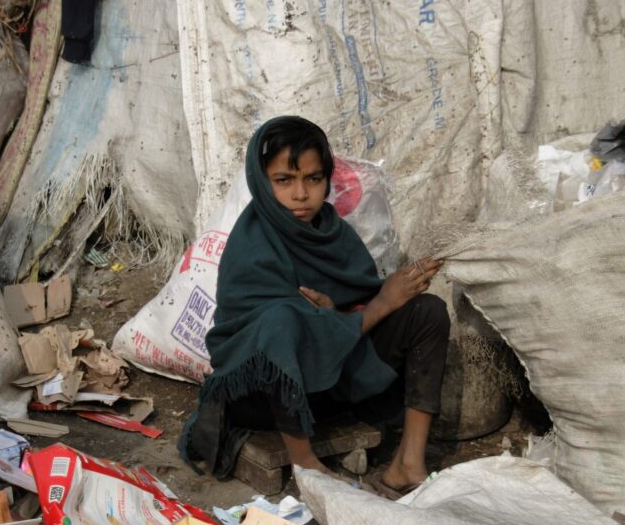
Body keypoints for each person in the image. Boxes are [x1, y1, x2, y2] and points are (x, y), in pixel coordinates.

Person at [178, 115, 449, 496]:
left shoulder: (334, 233)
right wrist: (379, 303)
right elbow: (275, 332)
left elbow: (343, 312)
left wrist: (338, 317)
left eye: (313, 179)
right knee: (282, 322)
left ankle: (408, 463)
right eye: (284, 181)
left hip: (328, 385)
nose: (301, 194)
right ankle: (306, 462)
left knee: (427, 311)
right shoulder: (252, 244)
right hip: (264, 401)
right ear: (261, 181)